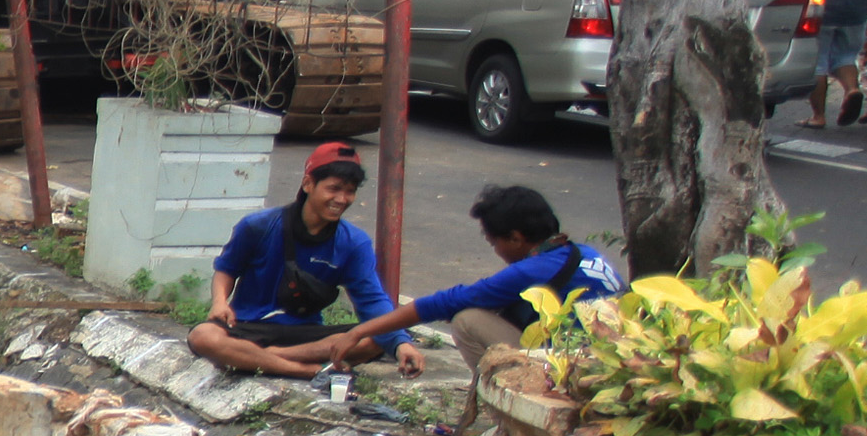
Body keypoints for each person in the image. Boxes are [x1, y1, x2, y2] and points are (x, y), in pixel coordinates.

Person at [298, 183, 626, 375]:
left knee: (468, 319)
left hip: (581, 368)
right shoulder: (583, 253)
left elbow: (444, 303)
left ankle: (499, 403)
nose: (495, 249)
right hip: (620, 361)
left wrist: (358, 331)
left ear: (514, 237)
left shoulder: (530, 270)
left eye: (493, 241)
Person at [188, 140, 398, 377]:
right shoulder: (258, 226)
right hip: (248, 326)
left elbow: (373, 301)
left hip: (305, 335)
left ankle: (258, 357)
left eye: (349, 191)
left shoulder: (354, 242)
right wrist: (219, 302)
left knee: (379, 337)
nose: (341, 199)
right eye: (334, 188)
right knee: (203, 337)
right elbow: (227, 269)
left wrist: (401, 342)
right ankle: (308, 371)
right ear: (308, 184)